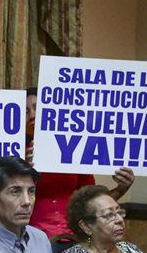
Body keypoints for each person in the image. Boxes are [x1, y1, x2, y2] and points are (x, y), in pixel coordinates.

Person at [25, 87, 135, 238]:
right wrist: (23, 169)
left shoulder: (75, 150)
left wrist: (121, 188)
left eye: (38, 108)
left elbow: (94, 203)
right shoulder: (15, 153)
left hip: (75, 238)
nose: (32, 115)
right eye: (25, 111)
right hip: (31, 239)